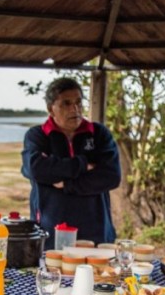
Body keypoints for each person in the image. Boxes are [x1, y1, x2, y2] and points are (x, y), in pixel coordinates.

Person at [21, 77, 121, 249]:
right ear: (50, 109)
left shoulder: (98, 134)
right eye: (66, 103)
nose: (74, 109)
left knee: (101, 276)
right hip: (50, 232)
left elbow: (111, 177)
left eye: (78, 102)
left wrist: (67, 184)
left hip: (96, 232)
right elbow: (36, 169)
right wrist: (82, 164)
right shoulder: (38, 136)